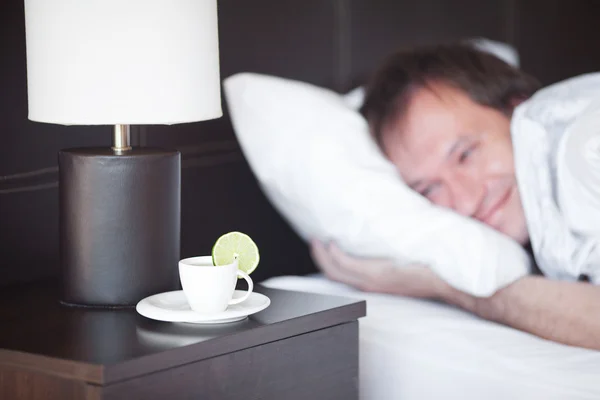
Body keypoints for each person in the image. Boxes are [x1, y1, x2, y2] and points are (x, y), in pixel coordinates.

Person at [310, 43, 600, 350]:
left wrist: (446, 286)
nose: (464, 201)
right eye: (429, 189)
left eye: (465, 154)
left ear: (516, 105)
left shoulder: (585, 146)